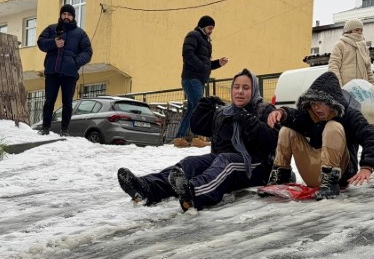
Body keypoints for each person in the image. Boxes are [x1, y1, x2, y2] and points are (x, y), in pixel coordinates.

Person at [117, 69, 277, 211]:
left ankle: (194, 193)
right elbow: (198, 127)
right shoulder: (225, 112)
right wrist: (204, 106)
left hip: (256, 166)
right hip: (222, 160)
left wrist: (249, 121)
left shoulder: (264, 110)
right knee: (190, 163)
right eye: (236, 87)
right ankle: (147, 189)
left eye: (246, 88)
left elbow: (273, 140)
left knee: (226, 161)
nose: (240, 91)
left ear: (254, 89)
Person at [265, 71, 374, 200]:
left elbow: (372, 136)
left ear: (332, 102)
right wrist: (281, 113)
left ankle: (329, 181)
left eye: (320, 102)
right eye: (313, 103)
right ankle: (280, 177)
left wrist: (367, 167)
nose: (316, 107)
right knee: (287, 130)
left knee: (333, 127)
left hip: (339, 176)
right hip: (314, 170)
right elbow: (294, 116)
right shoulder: (309, 115)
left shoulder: (349, 116)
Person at [37, 4, 93, 136]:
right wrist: (53, 43)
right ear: (61, 15)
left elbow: (87, 52)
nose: (66, 16)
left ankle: (64, 130)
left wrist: (75, 62)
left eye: (69, 14)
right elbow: (40, 42)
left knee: (67, 103)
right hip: (52, 71)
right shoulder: (52, 29)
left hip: (70, 73)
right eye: (64, 14)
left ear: (73, 17)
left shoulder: (80, 33)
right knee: (49, 100)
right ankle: (45, 128)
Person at [174, 15, 229, 148]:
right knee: (200, 106)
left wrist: (218, 63)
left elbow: (206, 64)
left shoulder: (206, 41)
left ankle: (179, 138)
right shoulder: (193, 35)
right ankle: (198, 138)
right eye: (210, 28)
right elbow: (187, 54)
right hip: (191, 78)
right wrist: (202, 66)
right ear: (203, 26)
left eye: (212, 29)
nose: (211, 31)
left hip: (198, 80)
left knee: (193, 109)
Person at [328, 18, 374, 88]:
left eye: (361, 30)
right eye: (357, 30)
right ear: (349, 30)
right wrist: (338, 87)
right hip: (346, 88)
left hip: (363, 90)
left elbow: (368, 69)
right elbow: (333, 67)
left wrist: (373, 87)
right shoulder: (340, 45)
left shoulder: (363, 46)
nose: (359, 32)